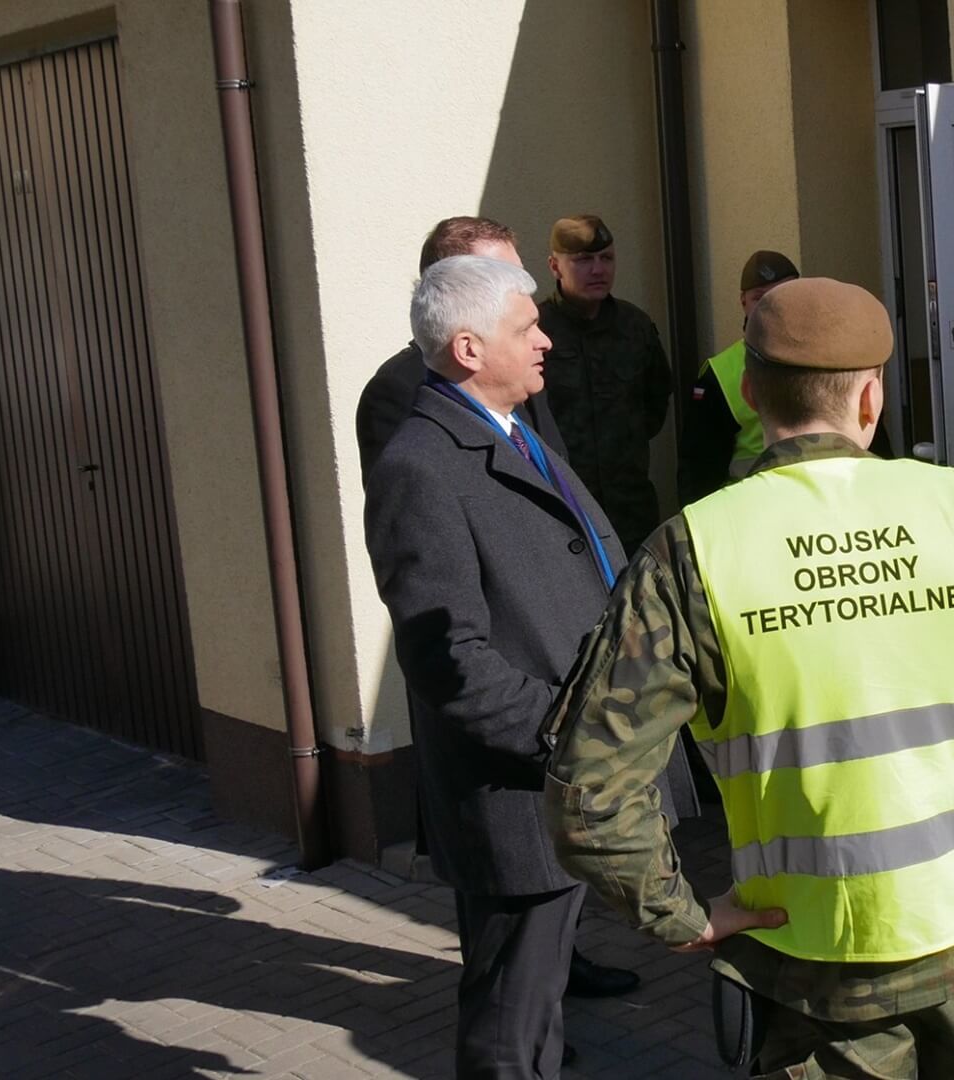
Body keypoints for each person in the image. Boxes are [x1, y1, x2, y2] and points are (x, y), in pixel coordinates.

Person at [541, 277, 954, 1078]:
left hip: (806, 970)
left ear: (747, 391)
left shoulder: (692, 551)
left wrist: (679, 912)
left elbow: (587, 793)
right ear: (872, 398)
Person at [364, 255, 693, 1077]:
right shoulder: (422, 465)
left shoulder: (507, 430)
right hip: (522, 792)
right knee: (510, 1023)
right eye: (526, 328)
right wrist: (578, 739)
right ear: (469, 348)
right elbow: (450, 664)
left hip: (558, 782)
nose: (546, 338)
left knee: (538, 1005)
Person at [356, 216, 565, 488]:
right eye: (500, 276)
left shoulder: (518, 364)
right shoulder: (397, 387)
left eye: (520, 274)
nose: (519, 288)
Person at [537, 215, 671, 553]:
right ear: (555, 266)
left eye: (606, 258)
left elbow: (655, 405)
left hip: (630, 511)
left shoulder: (635, 326)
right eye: (583, 260)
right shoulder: (535, 330)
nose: (598, 270)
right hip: (562, 507)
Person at [678, 249, 800, 504]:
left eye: (784, 295)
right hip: (751, 514)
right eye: (760, 298)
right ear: (743, 302)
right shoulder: (720, 374)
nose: (774, 307)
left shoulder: (832, 357)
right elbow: (700, 473)